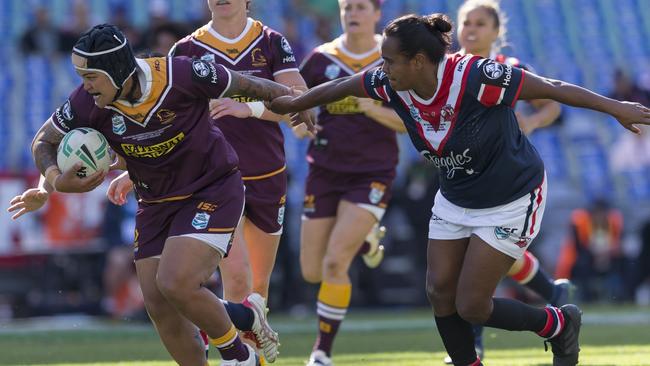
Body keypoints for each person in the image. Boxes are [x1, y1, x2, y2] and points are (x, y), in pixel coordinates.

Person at [270, 13, 650, 366]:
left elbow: (550, 88)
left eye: (388, 59)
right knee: (439, 293)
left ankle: (557, 325)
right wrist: (297, 102)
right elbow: (340, 85)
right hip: (456, 196)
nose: (381, 68)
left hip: (512, 196)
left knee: (471, 305)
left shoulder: (475, 75)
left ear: (418, 60)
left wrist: (615, 106)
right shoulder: (388, 81)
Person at [8, 24, 313, 366]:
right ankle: (244, 320)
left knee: (176, 282)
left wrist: (298, 103)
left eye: (91, 75)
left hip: (211, 188)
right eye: (82, 76)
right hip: (154, 202)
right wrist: (50, 182)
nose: (86, 85)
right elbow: (43, 140)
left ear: (118, 70)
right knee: (158, 304)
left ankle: (239, 356)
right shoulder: (88, 101)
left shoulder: (181, 73)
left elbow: (251, 85)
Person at [106, 1, 312, 361]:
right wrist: (133, 170)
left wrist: (250, 108)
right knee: (236, 281)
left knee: (256, 294)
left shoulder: (271, 41)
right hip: (212, 182)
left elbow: (299, 101)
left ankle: (247, 348)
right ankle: (234, 354)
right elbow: (163, 123)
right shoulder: (185, 50)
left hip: (267, 174)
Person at [446, 1, 574, 362]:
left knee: (473, 262)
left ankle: (475, 343)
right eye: (465, 22)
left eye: (480, 23)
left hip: (504, 176)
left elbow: (552, 103)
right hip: (461, 174)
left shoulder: (511, 69)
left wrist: (530, 122)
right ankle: (552, 291)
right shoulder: (447, 71)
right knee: (481, 258)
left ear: (496, 31)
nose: (470, 29)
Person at [293, 1, 404, 365]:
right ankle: (366, 238)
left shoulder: (393, 59)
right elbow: (296, 111)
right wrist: (299, 124)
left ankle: (321, 352)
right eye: (346, 6)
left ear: (377, 13)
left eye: (360, 6)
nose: (352, 12)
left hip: (372, 171)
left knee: (334, 263)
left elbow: (413, 122)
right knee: (311, 270)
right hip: (324, 171)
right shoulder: (319, 59)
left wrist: (371, 108)